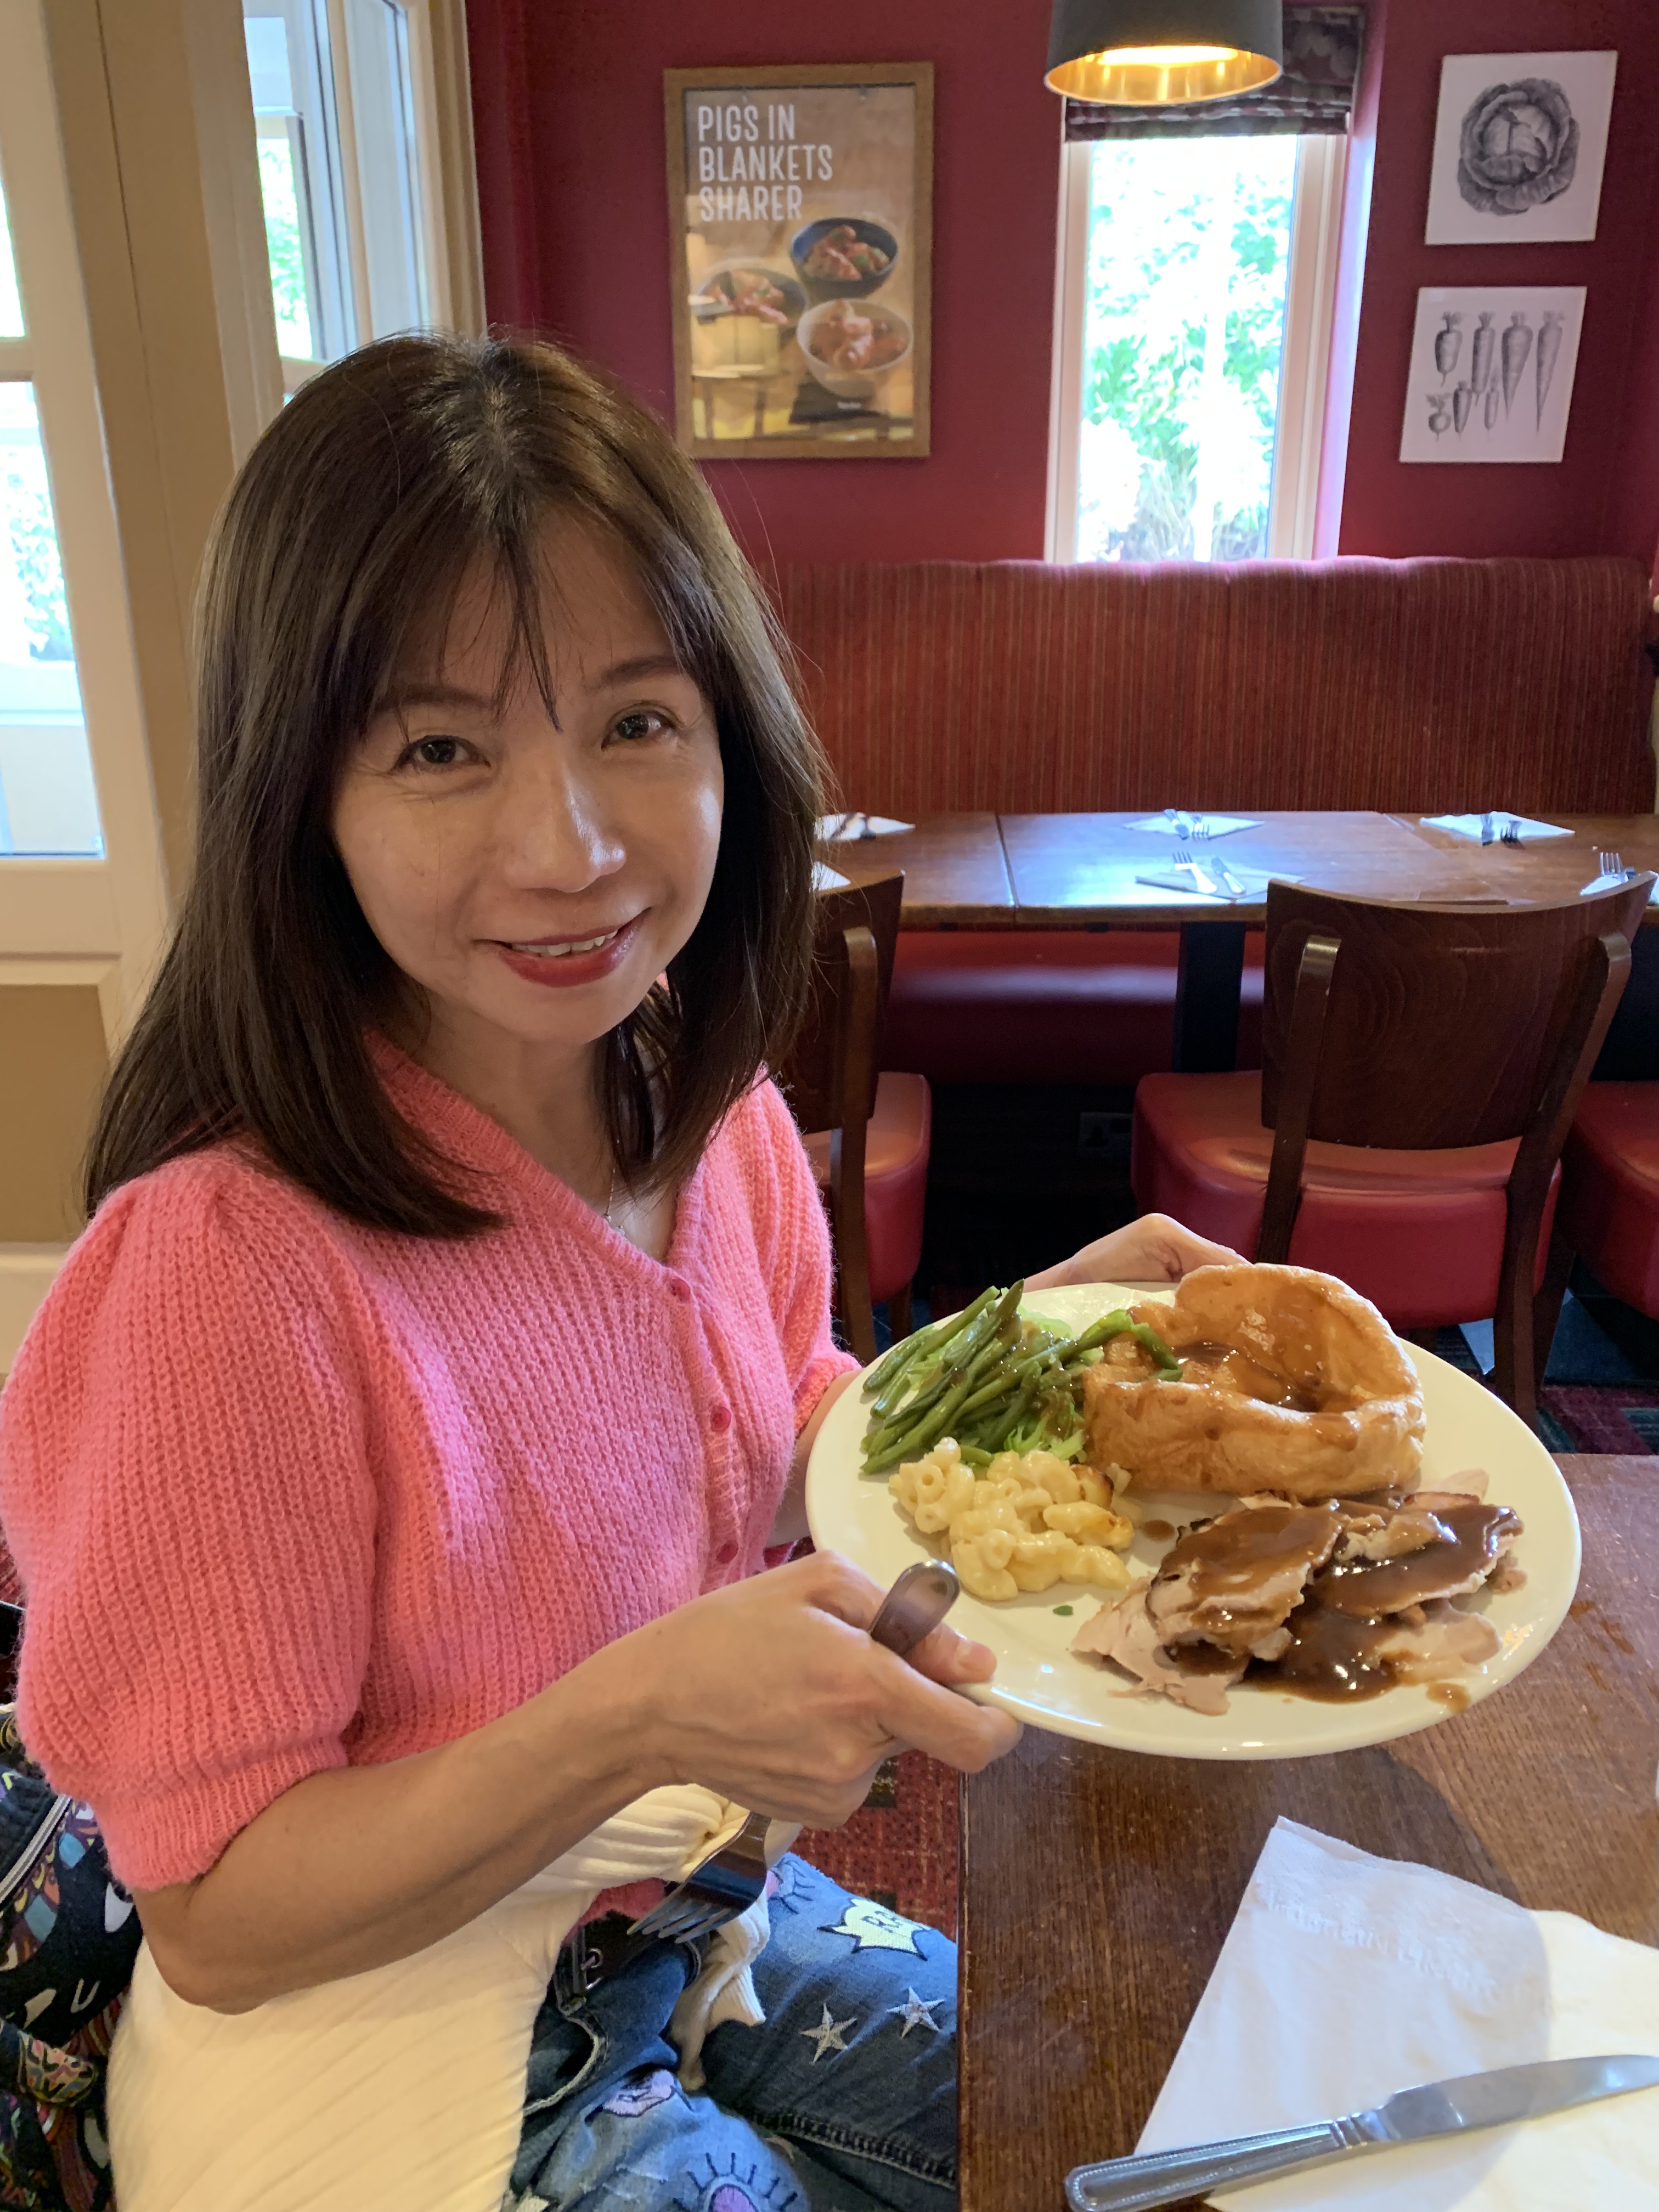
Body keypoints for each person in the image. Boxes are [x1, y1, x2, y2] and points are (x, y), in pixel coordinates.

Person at [0, 335, 1240, 2212]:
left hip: (683, 1910)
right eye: (440, 749)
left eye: (637, 722)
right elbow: (220, 1917)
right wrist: (636, 1714)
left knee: (1136, 2127)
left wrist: (1018, 1367)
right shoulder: (219, 1276)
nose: (570, 847)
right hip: (373, 2035)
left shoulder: (704, 1108)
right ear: (299, 798)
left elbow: (781, 1430)